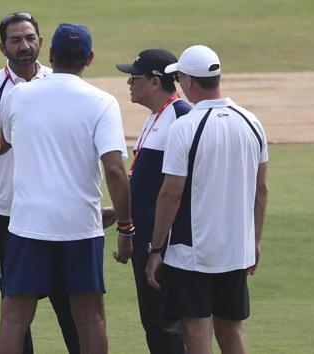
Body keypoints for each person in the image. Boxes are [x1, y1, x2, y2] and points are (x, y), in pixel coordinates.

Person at [0, 23, 133, 354]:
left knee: (14, 318)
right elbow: (114, 169)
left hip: (29, 223)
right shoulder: (102, 102)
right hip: (80, 227)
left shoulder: (18, 94)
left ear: (51, 54)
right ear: (89, 58)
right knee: (90, 319)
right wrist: (127, 227)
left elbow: (7, 140)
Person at [146, 45, 269, 354]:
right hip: (236, 252)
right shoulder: (252, 122)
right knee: (231, 332)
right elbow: (261, 189)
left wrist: (156, 248)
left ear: (188, 81)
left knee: (197, 335)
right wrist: (254, 242)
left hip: (192, 255)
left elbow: (171, 193)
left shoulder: (184, 127)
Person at [0, 12, 79, 354]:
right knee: (16, 299)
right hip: (6, 207)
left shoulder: (57, 80)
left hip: (55, 204)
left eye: (30, 38)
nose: (24, 46)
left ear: (42, 43)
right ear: (2, 46)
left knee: (68, 296)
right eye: (15, 40)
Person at [115, 49, 190, 353]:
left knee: (167, 324)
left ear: (155, 81)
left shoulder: (181, 115)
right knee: (156, 323)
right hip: (146, 237)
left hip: (166, 242)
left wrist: (159, 244)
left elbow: (184, 185)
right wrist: (121, 211)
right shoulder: (155, 117)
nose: (129, 82)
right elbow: (145, 179)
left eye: (134, 76)